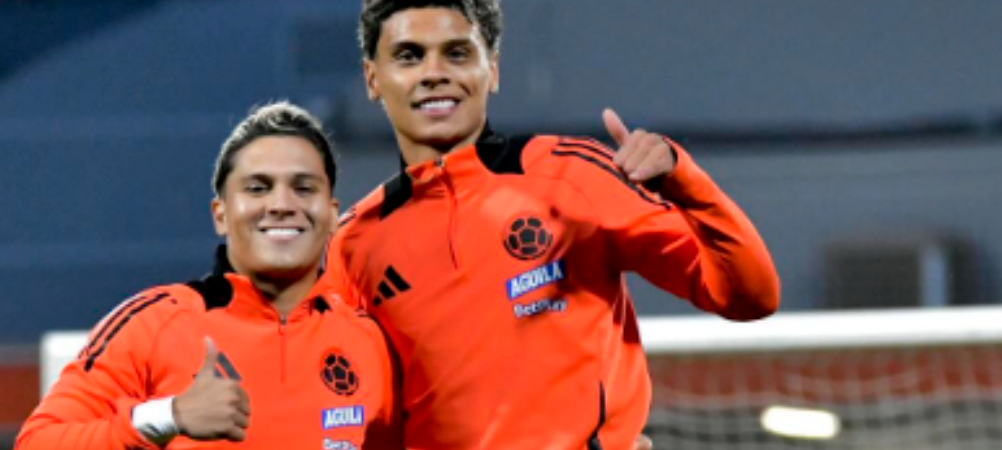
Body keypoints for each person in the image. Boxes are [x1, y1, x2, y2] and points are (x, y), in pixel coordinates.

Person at [323, 1, 781, 449]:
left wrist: (684, 181)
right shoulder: (351, 245)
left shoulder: (573, 175)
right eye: (409, 55)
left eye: (457, 53)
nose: (434, 73)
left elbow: (748, 296)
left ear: (493, 69)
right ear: (372, 79)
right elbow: (334, 407)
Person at [16, 102, 400, 450]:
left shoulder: (374, 340)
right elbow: (37, 443)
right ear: (220, 214)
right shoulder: (153, 323)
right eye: (257, 188)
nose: (282, 205)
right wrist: (168, 417)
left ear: (333, 213)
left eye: (303, 188)